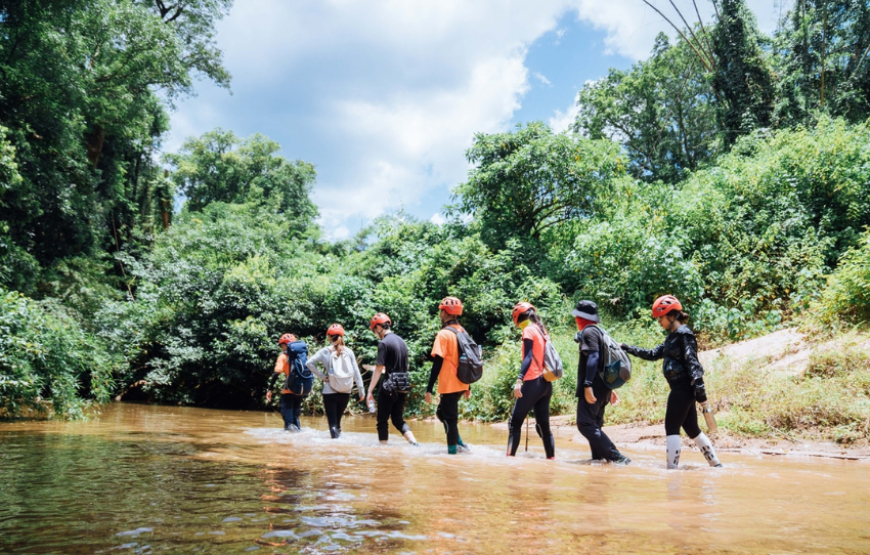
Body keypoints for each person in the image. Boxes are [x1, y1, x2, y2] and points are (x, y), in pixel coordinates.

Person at [621, 295, 722, 469]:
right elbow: (652, 354)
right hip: (681, 388)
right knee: (691, 429)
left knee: (671, 426)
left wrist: (701, 392)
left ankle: (672, 470)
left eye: (660, 317)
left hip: (683, 388)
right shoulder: (671, 337)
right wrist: (626, 348)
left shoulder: (684, 335)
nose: (659, 321)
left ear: (671, 315)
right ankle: (716, 465)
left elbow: (693, 363)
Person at [573, 300, 631, 464]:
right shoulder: (599, 332)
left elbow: (594, 357)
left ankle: (618, 458)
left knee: (585, 424)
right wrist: (609, 388)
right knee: (594, 426)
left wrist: (587, 385)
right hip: (603, 387)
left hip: (594, 387)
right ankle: (597, 461)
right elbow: (603, 362)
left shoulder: (589, 332)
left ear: (580, 317)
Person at [506, 302, 555, 459]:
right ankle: (551, 460)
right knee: (544, 427)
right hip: (546, 383)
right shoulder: (542, 330)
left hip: (533, 382)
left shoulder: (528, 330)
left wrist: (519, 380)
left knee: (514, 424)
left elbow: (528, 357)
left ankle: (509, 461)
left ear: (518, 318)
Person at [425, 296, 472, 454]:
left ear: (446, 313)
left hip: (450, 383)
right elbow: (469, 358)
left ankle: (453, 454)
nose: (440, 314)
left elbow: (437, 362)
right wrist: (468, 386)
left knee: (450, 420)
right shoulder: (463, 331)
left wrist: (429, 388)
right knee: (441, 412)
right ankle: (459, 443)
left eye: (441, 311)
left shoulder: (444, 334)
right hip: (462, 382)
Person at [366, 313, 419, 446]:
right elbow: (405, 366)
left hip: (389, 386)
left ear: (379, 327)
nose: (375, 333)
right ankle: (414, 443)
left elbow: (378, 369)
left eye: (374, 330)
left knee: (382, 420)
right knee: (397, 419)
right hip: (403, 385)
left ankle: (383, 452)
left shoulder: (384, 343)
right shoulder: (402, 342)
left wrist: (370, 391)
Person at [306, 323, 365, 439]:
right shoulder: (349, 352)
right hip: (345, 391)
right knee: (338, 422)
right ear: (342, 336)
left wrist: (322, 376)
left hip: (329, 391)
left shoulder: (324, 351)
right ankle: (339, 448)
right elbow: (356, 372)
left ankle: (334, 448)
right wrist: (361, 391)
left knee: (332, 423)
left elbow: (309, 363)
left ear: (329, 337)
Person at [266, 333, 310, 432]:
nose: (281, 347)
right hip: (300, 391)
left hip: (288, 392)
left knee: (288, 421)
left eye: (282, 345)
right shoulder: (302, 356)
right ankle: (298, 440)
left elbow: (276, 373)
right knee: (295, 419)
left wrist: (270, 389)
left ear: (286, 345)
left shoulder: (283, 357)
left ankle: (287, 444)